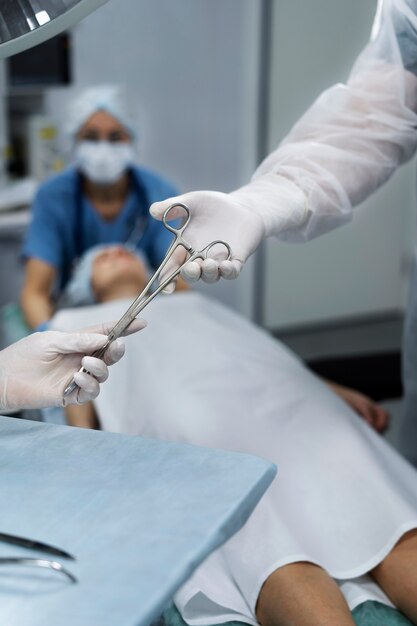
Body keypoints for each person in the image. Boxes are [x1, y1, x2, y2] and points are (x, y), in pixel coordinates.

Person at [48, 244, 417, 626]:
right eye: (102, 258)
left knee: (375, 502)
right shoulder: (74, 318)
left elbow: (266, 353)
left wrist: (331, 390)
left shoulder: (198, 304)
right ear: (83, 284)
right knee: (262, 521)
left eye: (125, 251)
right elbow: (79, 399)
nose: (116, 252)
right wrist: (89, 467)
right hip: (185, 404)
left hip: (285, 396)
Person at [149, 0, 417, 472]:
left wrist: (322, 393)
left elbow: (264, 367)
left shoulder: (191, 306)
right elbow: (373, 120)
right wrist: (265, 201)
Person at [21, 85, 179, 330]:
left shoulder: (160, 194)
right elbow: (36, 292)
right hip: (76, 318)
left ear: (132, 139)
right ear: (75, 141)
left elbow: (177, 282)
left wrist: (187, 324)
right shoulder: (53, 196)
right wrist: (51, 337)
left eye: (115, 137)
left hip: (150, 319)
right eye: (91, 137)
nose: (103, 148)